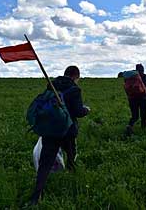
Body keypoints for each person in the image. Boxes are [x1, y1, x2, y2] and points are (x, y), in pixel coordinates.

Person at [30, 66, 90, 205]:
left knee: (45, 164)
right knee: (71, 155)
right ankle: (73, 180)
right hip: (68, 131)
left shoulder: (52, 85)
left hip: (50, 130)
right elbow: (77, 112)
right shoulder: (75, 90)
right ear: (76, 76)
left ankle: (36, 196)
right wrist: (86, 110)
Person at [126, 64, 146, 136]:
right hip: (143, 98)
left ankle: (130, 126)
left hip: (132, 99)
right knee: (143, 114)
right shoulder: (143, 77)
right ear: (142, 69)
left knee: (135, 116)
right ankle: (143, 129)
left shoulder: (130, 77)